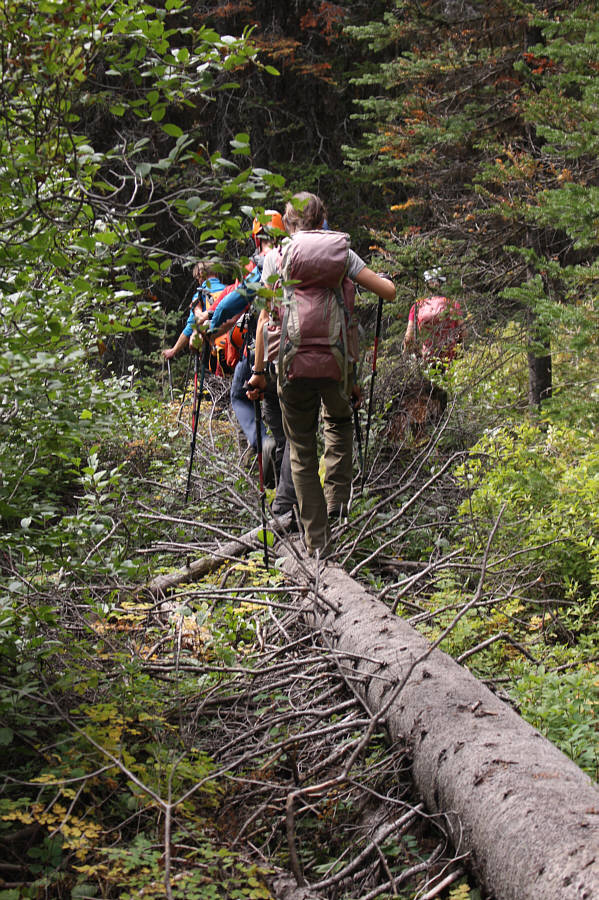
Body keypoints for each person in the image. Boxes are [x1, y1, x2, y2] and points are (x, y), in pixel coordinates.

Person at [246, 192, 395, 557]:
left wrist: (259, 373)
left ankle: (318, 543)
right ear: (321, 217)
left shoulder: (275, 257)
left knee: (300, 450)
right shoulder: (341, 252)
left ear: (289, 220)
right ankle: (337, 504)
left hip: (291, 364)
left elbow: (266, 320)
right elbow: (388, 293)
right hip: (336, 364)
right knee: (340, 424)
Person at [201, 212, 297, 515]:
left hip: (264, 358)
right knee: (289, 434)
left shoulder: (264, 264)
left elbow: (237, 298)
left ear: (257, 237)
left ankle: (260, 441)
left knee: (238, 395)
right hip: (300, 355)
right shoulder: (299, 257)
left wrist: (212, 321)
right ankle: (286, 503)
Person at [162, 263, 228, 369]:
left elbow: (190, 327)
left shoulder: (200, 296)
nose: (198, 280)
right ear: (216, 273)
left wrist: (174, 350)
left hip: (213, 350)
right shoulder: (228, 291)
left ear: (201, 275)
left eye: (197, 277)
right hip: (233, 346)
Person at [402, 268, 464, 366]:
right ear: (442, 284)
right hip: (450, 360)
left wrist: (407, 354)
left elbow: (409, 338)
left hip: (427, 358)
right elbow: (462, 332)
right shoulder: (453, 304)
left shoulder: (417, 306)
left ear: (427, 285)